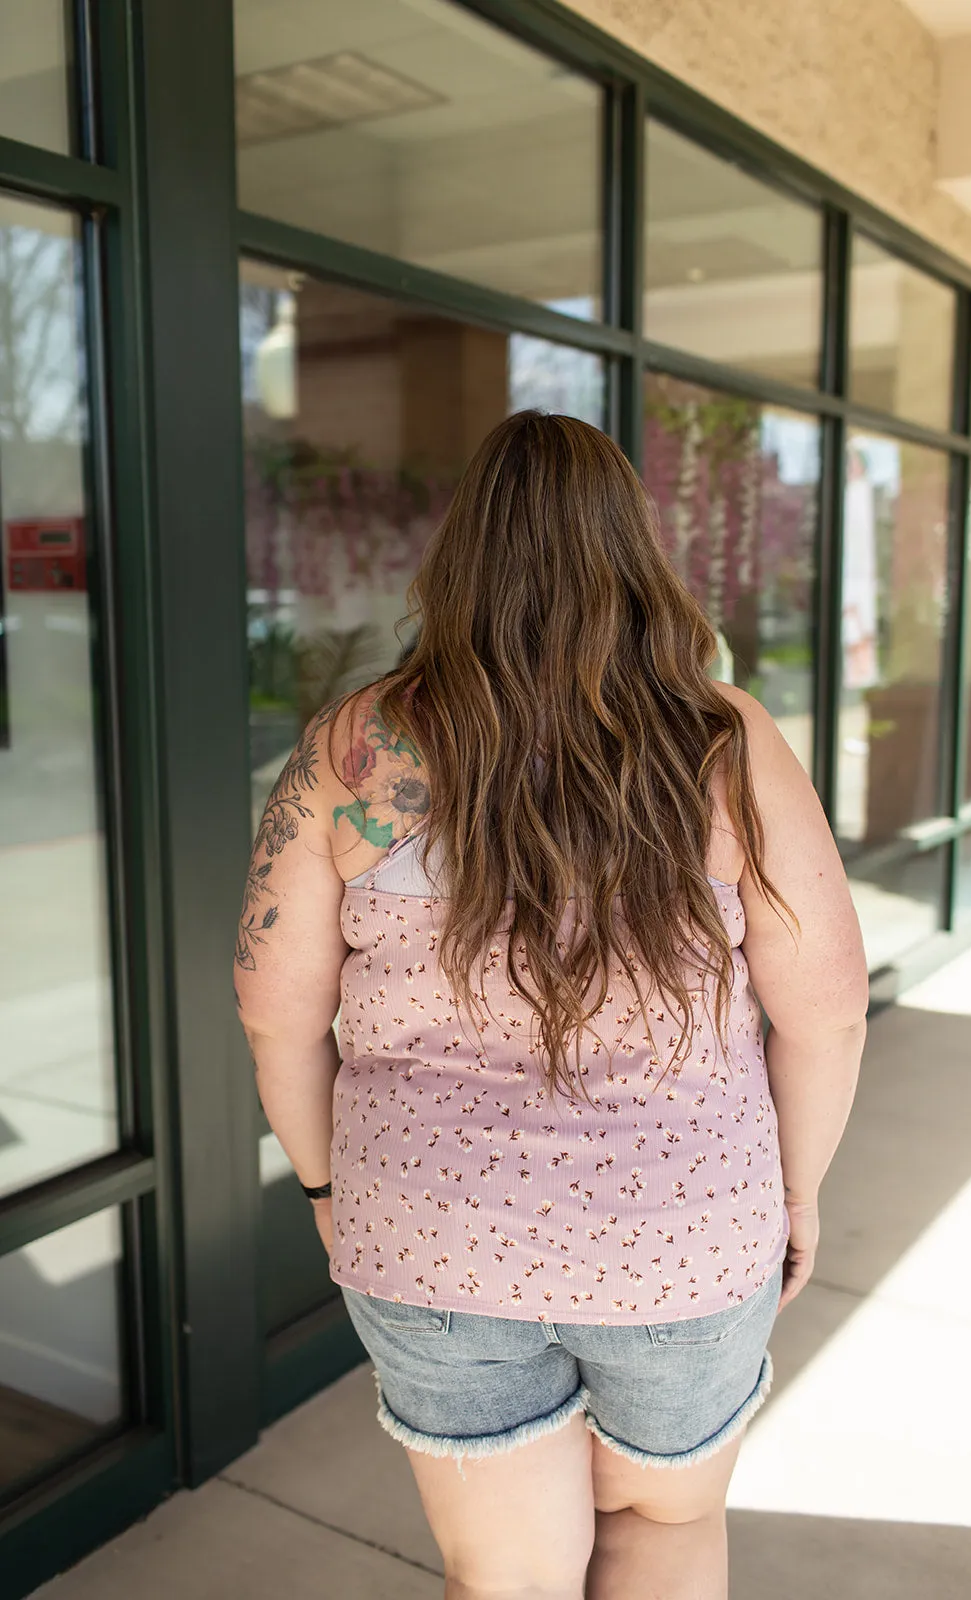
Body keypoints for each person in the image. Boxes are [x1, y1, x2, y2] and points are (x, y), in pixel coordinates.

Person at [235, 411, 868, 1600]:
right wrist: (796, 1194)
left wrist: (327, 1192)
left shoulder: (353, 748)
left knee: (504, 1576)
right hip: (681, 1236)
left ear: (458, 559)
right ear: (632, 553)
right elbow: (826, 1013)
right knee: (662, 1530)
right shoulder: (722, 742)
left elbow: (275, 1014)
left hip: (428, 1233)